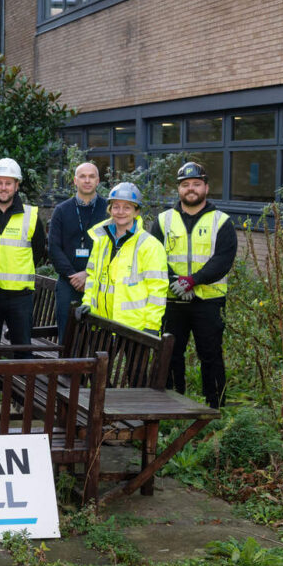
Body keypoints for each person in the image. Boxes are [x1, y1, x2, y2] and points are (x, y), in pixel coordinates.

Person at [150, 162, 236, 408]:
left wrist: (193, 281)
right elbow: (153, 257)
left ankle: (214, 407)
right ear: (178, 189)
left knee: (210, 355)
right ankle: (171, 405)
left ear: (206, 188)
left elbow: (223, 259)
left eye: (196, 184)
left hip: (208, 300)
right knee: (170, 354)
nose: (191, 189)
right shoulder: (163, 221)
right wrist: (175, 282)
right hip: (172, 299)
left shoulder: (222, 222)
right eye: (185, 185)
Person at [0, 158, 47, 354]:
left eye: (8, 183)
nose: (3, 188)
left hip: (20, 297)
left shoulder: (30, 216)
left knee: (23, 351)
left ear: (17, 186)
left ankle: (24, 386)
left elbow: (38, 250)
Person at [75, 182, 167, 335]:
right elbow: (92, 277)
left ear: (136, 212)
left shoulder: (149, 245)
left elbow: (157, 290)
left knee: (135, 361)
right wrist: (87, 304)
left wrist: (152, 325)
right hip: (102, 322)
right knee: (102, 360)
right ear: (110, 210)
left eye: (127, 207)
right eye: (116, 207)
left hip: (135, 327)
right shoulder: (101, 240)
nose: (120, 212)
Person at [47, 162, 108, 342]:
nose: (87, 180)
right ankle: (66, 370)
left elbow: (112, 249)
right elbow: (54, 247)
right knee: (67, 335)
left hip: (98, 282)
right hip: (68, 282)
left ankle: (93, 371)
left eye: (91, 176)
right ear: (75, 181)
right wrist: (74, 276)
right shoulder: (61, 210)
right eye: (82, 176)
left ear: (98, 181)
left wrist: (88, 274)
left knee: (98, 337)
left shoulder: (109, 210)